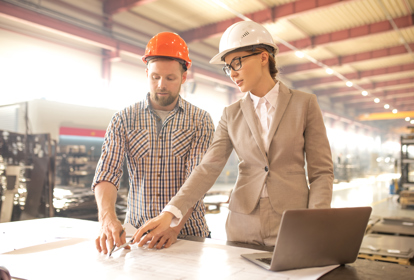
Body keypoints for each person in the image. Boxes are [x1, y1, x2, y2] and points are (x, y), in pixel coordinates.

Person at [133, 21, 334, 247]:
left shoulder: (304, 104)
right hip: (243, 223)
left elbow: (321, 172)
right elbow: (208, 168)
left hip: (293, 221)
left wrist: (316, 220)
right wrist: (170, 213)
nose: (232, 73)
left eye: (237, 62)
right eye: (228, 67)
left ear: (263, 57)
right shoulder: (231, 114)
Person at [92, 32, 215, 253]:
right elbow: (107, 172)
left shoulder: (200, 120)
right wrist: (107, 219)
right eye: (155, 77)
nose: (161, 85)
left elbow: (197, 180)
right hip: (138, 235)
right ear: (147, 73)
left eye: (170, 78)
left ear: (184, 77)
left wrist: (174, 227)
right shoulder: (124, 119)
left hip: (187, 235)